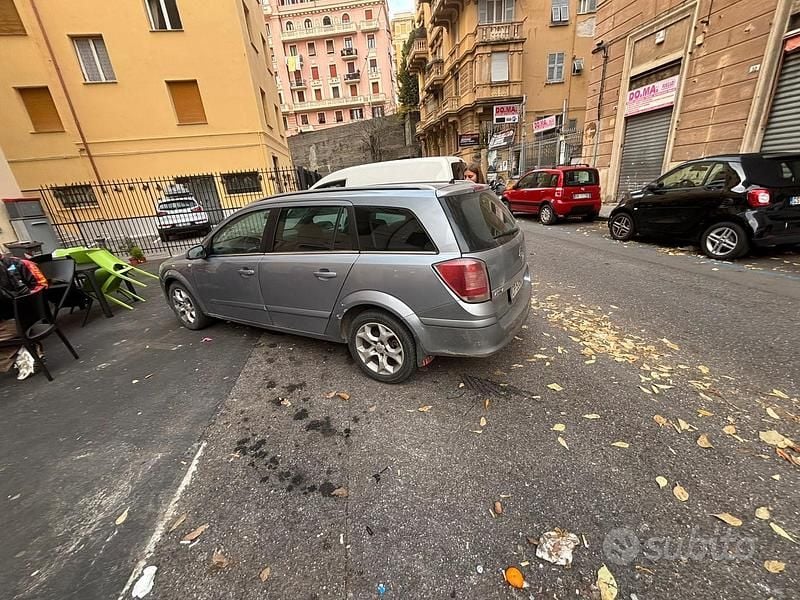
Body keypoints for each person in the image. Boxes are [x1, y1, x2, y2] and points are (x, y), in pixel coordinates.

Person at [0, 254, 48, 380]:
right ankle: (23, 351)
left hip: (19, 319)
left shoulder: (20, 264)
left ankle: (23, 351)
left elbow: (41, 286)